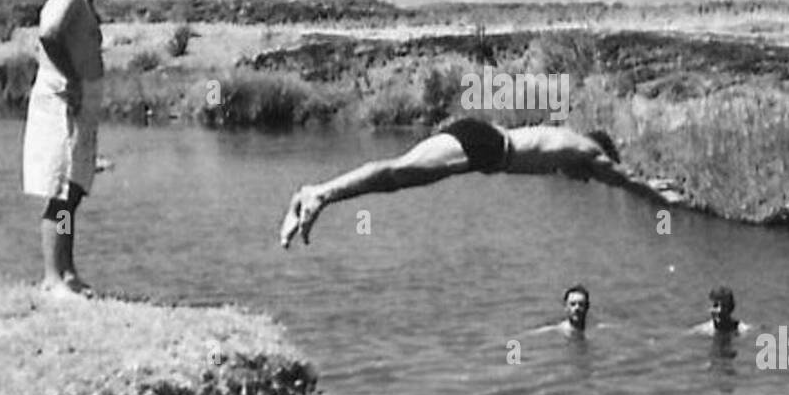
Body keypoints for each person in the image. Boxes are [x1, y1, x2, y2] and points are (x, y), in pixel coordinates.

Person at [280, 119, 662, 247]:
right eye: (588, 179)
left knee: (398, 176)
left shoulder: (571, 141)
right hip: (485, 146)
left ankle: (314, 195)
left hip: (481, 140)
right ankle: (319, 194)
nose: (582, 182)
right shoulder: (589, 154)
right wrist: (665, 200)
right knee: (396, 174)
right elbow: (626, 180)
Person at [22, 0, 138, 295]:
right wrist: (71, 78)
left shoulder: (84, 2)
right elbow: (49, 35)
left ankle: (68, 273)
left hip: (76, 104)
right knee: (59, 191)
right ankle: (52, 278)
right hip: (60, 103)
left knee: (72, 191)